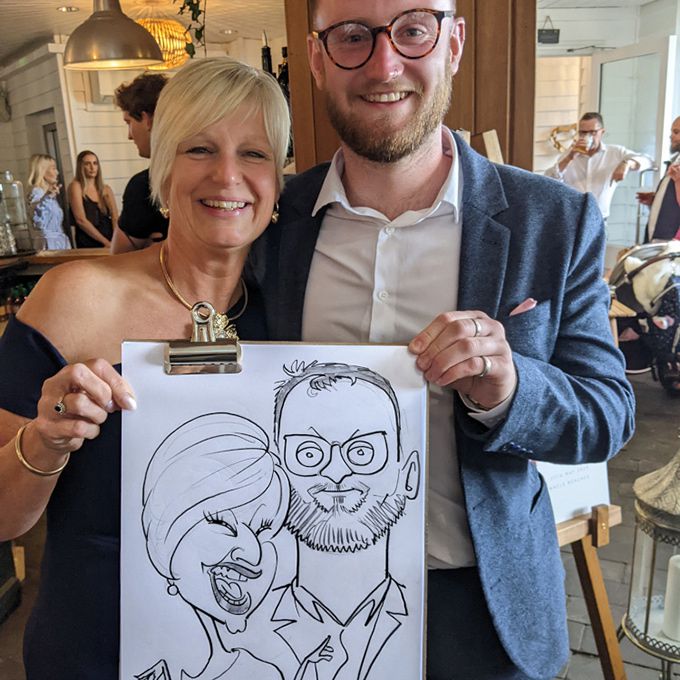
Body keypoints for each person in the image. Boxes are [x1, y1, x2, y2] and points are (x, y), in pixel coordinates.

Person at [258, 2, 636, 679]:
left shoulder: (555, 220)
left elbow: (607, 414)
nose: (384, 65)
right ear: (316, 58)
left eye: (413, 30)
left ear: (453, 43)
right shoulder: (273, 222)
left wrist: (510, 389)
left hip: (484, 609)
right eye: (352, 36)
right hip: (304, 611)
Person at [0, 56, 290, 680]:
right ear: (162, 167)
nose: (228, 175)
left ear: (278, 178)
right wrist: (47, 438)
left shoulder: (296, 313)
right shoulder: (75, 297)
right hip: (94, 648)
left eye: (255, 153)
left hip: (253, 655)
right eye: (199, 148)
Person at [270, 362, 420, 679]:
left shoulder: (428, 616)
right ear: (275, 478)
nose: (336, 473)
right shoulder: (243, 626)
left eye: (362, 452)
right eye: (308, 454)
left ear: (408, 476)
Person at [136, 413, 289, 680]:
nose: (253, 552)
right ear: (165, 530)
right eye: (222, 522)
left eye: (263, 530)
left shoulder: (260, 673)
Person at [545, 112, 652, 220]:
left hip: (600, 218)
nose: (587, 136)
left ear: (602, 132)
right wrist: (569, 158)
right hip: (573, 218)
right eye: (583, 132)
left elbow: (648, 161)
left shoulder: (614, 153)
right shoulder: (569, 155)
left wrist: (626, 164)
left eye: (593, 132)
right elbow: (549, 181)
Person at [111, 73, 170, 254]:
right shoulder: (207, 173)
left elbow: (119, 259)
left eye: (129, 122)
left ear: (147, 120)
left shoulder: (144, 186)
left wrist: (148, 254)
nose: (129, 135)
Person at [638, 116, 680, 241]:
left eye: (676, 132)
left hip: (672, 241)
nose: (671, 136)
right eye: (672, 132)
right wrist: (656, 200)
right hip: (657, 238)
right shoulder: (675, 162)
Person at [67, 149, 118, 248]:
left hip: (110, 238)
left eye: (95, 163)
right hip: (88, 240)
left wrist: (115, 240)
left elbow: (115, 216)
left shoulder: (106, 189)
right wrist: (105, 242)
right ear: (81, 167)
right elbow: (80, 220)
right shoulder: (76, 186)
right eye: (87, 164)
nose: (92, 167)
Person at [25, 154, 71, 250]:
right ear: (42, 171)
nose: (57, 172)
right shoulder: (37, 192)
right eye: (53, 168)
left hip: (59, 243)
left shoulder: (48, 194)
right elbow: (37, 215)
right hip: (48, 244)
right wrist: (47, 197)